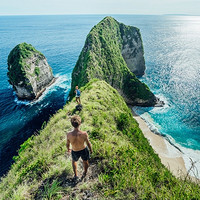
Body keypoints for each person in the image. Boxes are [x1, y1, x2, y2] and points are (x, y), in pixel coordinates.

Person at [66, 115, 93, 181]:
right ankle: (85, 173)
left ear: (72, 125)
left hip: (75, 150)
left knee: (74, 161)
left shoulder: (69, 135)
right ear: (80, 123)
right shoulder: (84, 133)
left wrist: (68, 149)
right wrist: (90, 149)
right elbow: (88, 143)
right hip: (83, 149)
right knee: (85, 161)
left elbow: (67, 144)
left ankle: (76, 175)